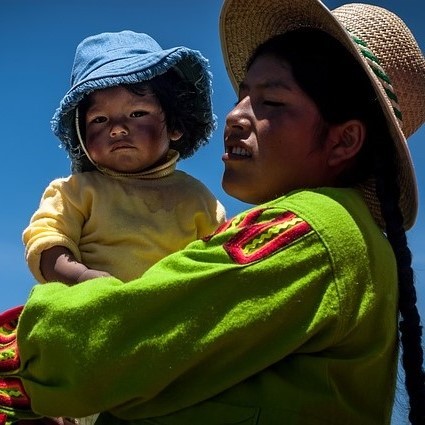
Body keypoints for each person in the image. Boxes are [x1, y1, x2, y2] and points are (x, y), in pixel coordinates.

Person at [0, 0, 424, 424]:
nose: (236, 116)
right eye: (242, 95)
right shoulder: (349, 235)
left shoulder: (310, 229)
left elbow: (97, 348)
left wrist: (38, 339)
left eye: (271, 102)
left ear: (343, 140)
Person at [22, 30, 226, 285]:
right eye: (99, 120)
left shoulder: (198, 198)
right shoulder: (74, 192)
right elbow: (45, 240)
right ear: (83, 138)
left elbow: (221, 260)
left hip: (172, 314)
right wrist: (81, 278)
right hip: (93, 309)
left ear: (175, 126)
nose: (117, 128)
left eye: (137, 113)